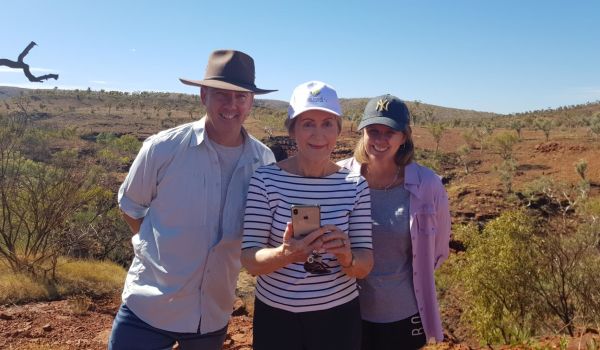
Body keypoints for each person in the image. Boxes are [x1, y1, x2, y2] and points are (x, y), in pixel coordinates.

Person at [108, 49, 277, 350]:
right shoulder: (163, 149)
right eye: (222, 94)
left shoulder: (263, 162)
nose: (232, 104)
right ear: (203, 95)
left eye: (241, 96)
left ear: (251, 102)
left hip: (211, 313)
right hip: (149, 303)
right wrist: (154, 249)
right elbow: (130, 206)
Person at [241, 81, 374, 350]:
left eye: (327, 123)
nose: (318, 134)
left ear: (338, 130)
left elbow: (365, 264)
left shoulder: (354, 185)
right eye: (308, 123)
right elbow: (250, 261)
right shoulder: (266, 180)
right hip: (277, 318)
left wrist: (347, 256)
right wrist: (286, 253)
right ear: (292, 129)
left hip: (337, 317)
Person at [338, 95, 451, 349]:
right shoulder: (338, 179)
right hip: (347, 310)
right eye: (373, 131)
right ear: (363, 134)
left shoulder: (428, 184)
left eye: (390, 132)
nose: (380, 139)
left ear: (404, 137)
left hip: (404, 314)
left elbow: (439, 250)